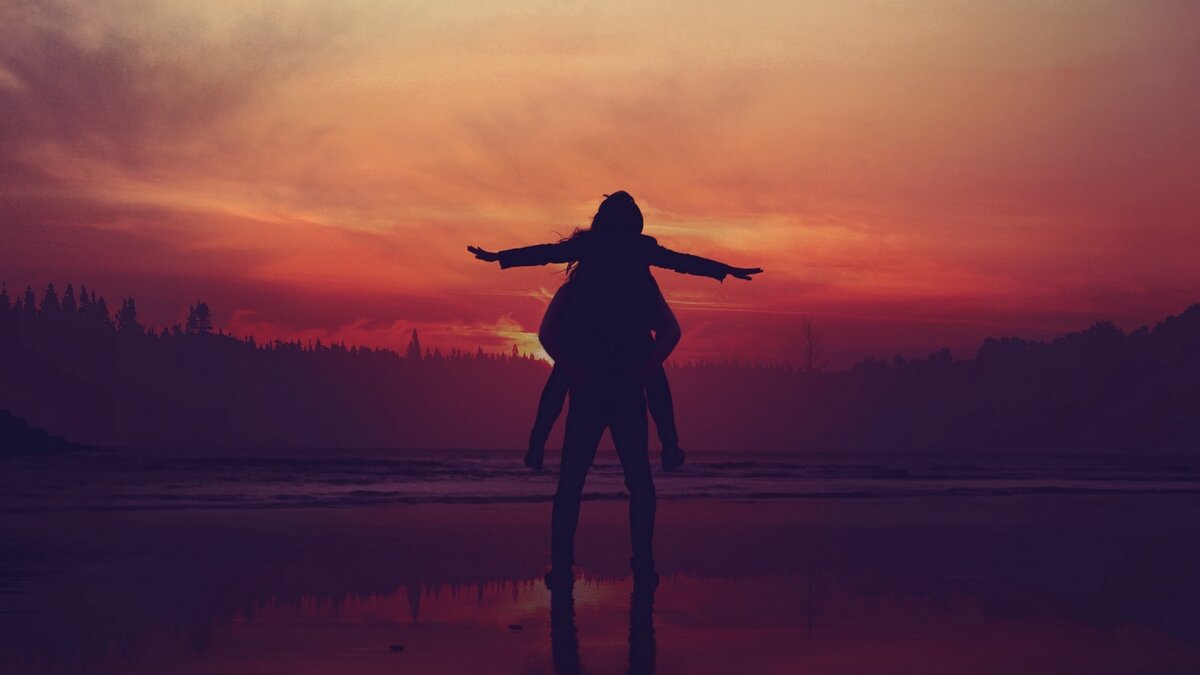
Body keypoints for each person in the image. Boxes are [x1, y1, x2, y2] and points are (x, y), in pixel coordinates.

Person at [468, 191, 761, 587]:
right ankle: (645, 554)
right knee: (638, 478)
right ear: (634, 223)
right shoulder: (640, 260)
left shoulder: (588, 256)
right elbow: (682, 262)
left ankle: (562, 561)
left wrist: (498, 258)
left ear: (602, 220)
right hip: (625, 381)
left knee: (572, 481)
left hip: (589, 380)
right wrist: (724, 270)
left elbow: (545, 254)